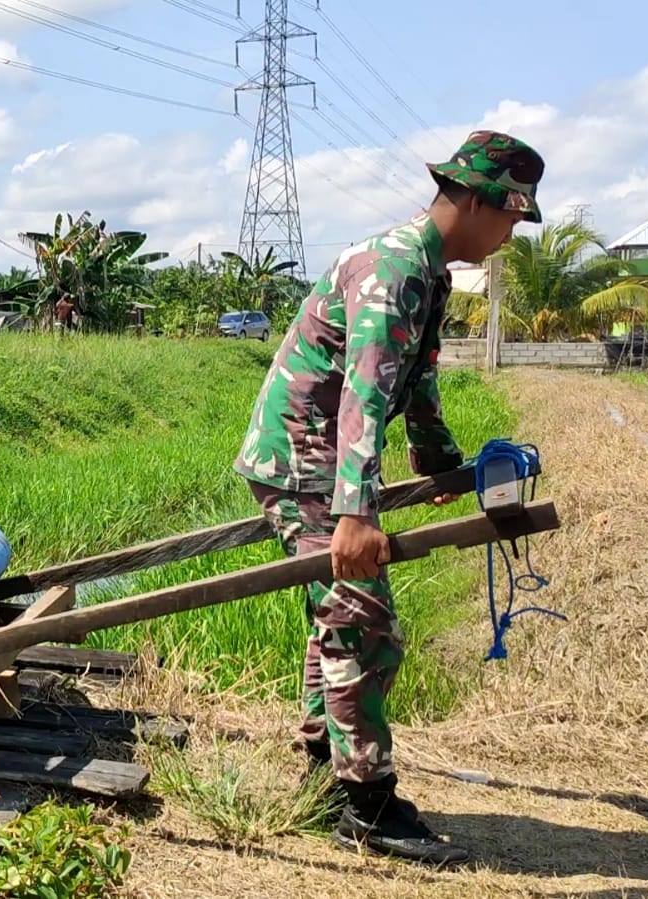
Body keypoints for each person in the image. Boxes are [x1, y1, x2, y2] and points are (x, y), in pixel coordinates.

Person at [233, 130, 545, 865]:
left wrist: (440, 463)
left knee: (339, 617)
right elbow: (363, 397)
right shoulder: (394, 267)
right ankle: (365, 804)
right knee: (362, 620)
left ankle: (324, 771)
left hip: (316, 455)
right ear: (474, 201)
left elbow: (417, 377)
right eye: (508, 218)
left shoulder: (428, 273)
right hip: (304, 459)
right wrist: (354, 511)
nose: (507, 235)